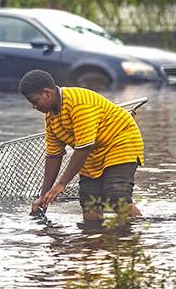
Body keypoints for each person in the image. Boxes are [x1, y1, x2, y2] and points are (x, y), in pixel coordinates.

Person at [18, 69, 144, 221]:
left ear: (47, 93)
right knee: (89, 203)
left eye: (35, 102)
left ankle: (140, 231)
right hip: (93, 151)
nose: (34, 107)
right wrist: (43, 196)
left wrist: (61, 184)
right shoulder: (51, 118)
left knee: (117, 198)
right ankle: (94, 241)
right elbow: (53, 156)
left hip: (121, 141)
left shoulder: (78, 103)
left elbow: (83, 147)